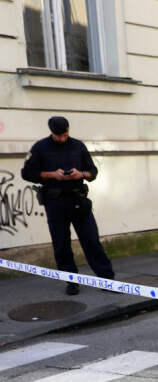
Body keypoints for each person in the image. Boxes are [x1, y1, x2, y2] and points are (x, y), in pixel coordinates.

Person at [21, 116, 115, 295]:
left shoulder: (78, 146)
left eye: (65, 134)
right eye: (59, 136)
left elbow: (93, 171)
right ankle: (71, 281)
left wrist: (82, 174)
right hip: (55, 202)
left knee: (91, 240)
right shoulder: (40, 148)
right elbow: (27, 173)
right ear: (52, 132)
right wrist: (51, 175)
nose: (63, 139)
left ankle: (107, 279)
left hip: (78, 200)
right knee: (61, 243)